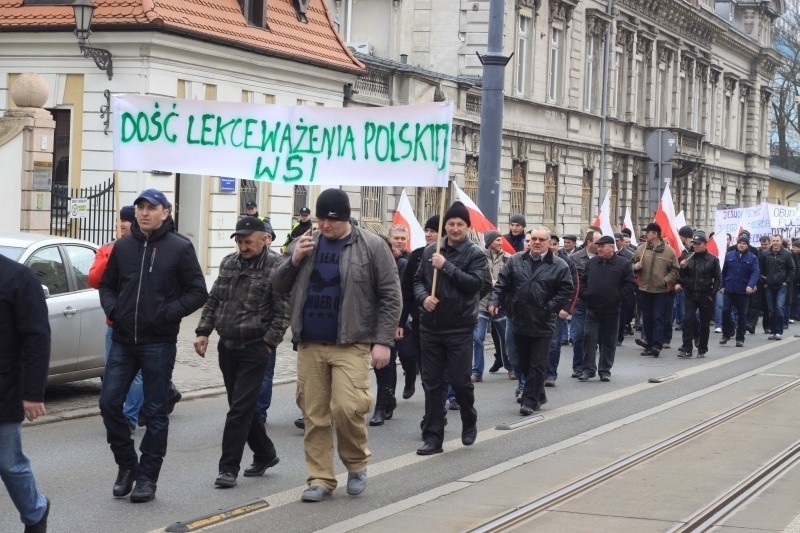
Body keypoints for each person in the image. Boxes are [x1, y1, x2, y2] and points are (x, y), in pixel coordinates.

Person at [273, 188, 401, 502]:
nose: (325, 225)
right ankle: (320, 479)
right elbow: (277, 286)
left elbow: (390, 295)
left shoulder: (371, 246)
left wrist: (383, 341)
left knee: (347, 408)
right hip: (310, 344)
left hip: (352, 343)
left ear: (344, 218)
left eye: (331, 220)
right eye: (321, 219)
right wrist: (295, 258)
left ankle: (356, 464)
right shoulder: (306, 243)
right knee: (314, 415)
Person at [98, 188, 208, 503]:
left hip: (158, 343)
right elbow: (107, 285)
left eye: (151, 207)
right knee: (108, 403)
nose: (144, 212)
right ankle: (127, 464)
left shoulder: (179, 248)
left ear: (165, 212)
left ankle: (147, 477)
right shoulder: (123, 247)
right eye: (140, 207)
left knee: (156, 412)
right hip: (122, 340)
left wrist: (166, 314)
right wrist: (114, 309)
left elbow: (197, 291)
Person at [194, 216, 289, 488]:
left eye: (248, 241)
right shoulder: (228, 263)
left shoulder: (277, 267)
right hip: (228, 346)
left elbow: (283, 312)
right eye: (239, 241)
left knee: (239, 409)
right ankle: (265, 453)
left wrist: (268, 343)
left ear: (264, 239)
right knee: (240, 406)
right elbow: (214, 300)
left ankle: (228, 468)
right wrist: (203, 331)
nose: (243, 247)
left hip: (254, 347)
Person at [413, 201, 491, 455]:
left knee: (459, 381)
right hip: (431, 327)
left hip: (459, 327)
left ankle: (469, 418)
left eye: (460, 224)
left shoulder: (475, 254)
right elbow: (417, 282)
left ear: (467, 227)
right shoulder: (430, 251)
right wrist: (424, 297)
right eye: (451, 224)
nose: (455, 228)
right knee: (433, 384)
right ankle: (433, 437)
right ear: (445, 226)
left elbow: (476, 284)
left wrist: (446, 266)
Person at [490, 227, 572, 415]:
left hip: (543, 322)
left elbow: (566, 290)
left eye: (541, 239)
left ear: (549, 243)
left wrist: (550, 307)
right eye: (533, 238)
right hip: (519, 319)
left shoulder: (559, 265)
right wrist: (495, 301)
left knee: (537, 363)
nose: (536, 242)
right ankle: (539, 393)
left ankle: (529, 400)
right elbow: (502, 283)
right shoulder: (516, 260)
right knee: (523, 361)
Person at [0, 254, 50, 533]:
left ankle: (36, 511)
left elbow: (37, 336)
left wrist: (33, 392)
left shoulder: (18, 278)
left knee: (9, 463)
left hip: (4, 387)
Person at [88, 206, 141, 431]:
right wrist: (111, 252)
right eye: (120, 222)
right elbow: (95, 280)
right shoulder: (108, 249)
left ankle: (129, 417)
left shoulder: (146, 248)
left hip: (142, 325)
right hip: (115, 324)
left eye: (126, 222)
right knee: (113, 371)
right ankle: (117, 415)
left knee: (137, 375)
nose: (122, 225)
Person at [578, 235, 635, 382]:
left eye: (603, 246)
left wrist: (617, 297)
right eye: (598, 246)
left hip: (612, 310)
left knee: (609, 341)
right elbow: (583, 282)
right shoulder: (592, 264)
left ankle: (605, 370)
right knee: (589, 338)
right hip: (592, 309)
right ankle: (588, 369)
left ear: (612, 247)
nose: (599, 248)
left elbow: (630, 285)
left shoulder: (623, 264)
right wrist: (585, 294)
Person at [369, 228, 409, 426]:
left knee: (386, 364)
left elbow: (398, 297)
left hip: (388, 321)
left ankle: (381, 407)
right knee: (374, 367)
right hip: (365, 322)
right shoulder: (365, 266)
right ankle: (389, 398)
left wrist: (398, 323)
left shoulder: (400, 264)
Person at [398, 216, 440, 400]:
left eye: (433, 231)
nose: (428, 234)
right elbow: (407, 292)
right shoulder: (417, 255)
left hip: (450, 323)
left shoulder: (455, 256)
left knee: (446, 370)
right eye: (427, 230)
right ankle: (433, 406)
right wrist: (400, 321)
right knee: (426, 369)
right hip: (421, 321)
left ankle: (446, 397)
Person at [632, 222, 680, 358]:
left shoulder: (669, 251)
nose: (646, 234)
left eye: (648, 232)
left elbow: (675, 269)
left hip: (660, 290)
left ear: (655, 234)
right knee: (646, 318)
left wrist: (666, 280)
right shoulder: (641, 249)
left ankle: (657, 345)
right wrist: (635, 267)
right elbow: (632, 263)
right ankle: (648, 344)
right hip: (644, 288)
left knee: (658, 318)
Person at [677, 231, 721, 358]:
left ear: (705, 244)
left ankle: (702, 347)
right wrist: (683, 268)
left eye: (698, 244)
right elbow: (682, 278)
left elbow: (718, 280)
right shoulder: (689, 258)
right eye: (694, 243)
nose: (695, 246)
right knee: (688, 319)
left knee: (704, 323)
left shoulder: (713, 260)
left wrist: (712, 294)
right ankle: (687, 347)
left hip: (705, 295)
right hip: (690, 294)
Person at [471, 230, 507, 383]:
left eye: (501, 240)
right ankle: (477, 372)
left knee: (506, 338)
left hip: (500, 304)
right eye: (497, 240)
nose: (501, 242)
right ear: (490, 241)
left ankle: (511, 367)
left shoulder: (508, 259)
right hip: (482, 303)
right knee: (477, 338)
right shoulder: (478, 258)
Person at [545, 235, 578, 386]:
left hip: (557, 309)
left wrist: (566, 308)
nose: (551, 247)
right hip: (538, 308)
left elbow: (573, 287)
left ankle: (551, 374)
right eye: (549, 243)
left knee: (553, 342)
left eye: (554, 244)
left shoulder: (567, 262)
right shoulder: (538, 260)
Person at [569, 231, 600, 376]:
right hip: (580, 301)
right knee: (578, 334)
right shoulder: (575, 258)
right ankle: (578, 367)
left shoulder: (603, 258)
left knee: (592, 336)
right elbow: (573, 281)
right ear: (589, 242)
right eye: (597, 242)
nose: (600, 246)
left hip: (597, 303)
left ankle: (590, 366)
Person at [721, 235, 760, 347]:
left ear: (747, 245)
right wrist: (722, 285)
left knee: (742, 315)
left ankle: (740, 338)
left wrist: (750, 285)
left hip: (743, 290)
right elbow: (723, 272)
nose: (741, 245)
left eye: (744, 243)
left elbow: (755, 273)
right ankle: (726, 334)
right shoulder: (729, 255)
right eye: (739, 243)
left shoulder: (752, 258)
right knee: (725, 311)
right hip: (729, 288)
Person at [760, 234, 795, 340]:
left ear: (780, 242)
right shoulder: (765, 254)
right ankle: (772, 330)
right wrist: (764, 282)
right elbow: (760, 269)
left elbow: (792, 269)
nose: (775, 242)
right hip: (769, 286)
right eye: (773, 240)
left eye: (777, 240)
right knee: (771, 310)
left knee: (779, 308)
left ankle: (779, 331)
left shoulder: (787, 254)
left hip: (781, 286)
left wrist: (786, 281)